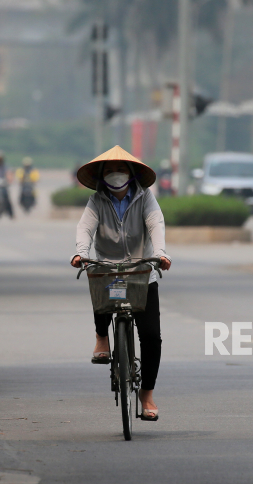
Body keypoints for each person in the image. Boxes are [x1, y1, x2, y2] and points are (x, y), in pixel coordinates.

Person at [71, 146, 171, 422]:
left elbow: (156, 224)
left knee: (151, 337)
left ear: (132, 174)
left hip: (141, 269)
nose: (117, 175)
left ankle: (147, 394)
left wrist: (160, 254)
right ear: (102, 176)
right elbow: (85, 228)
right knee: (96, 279)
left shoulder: (145, 197)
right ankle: (102, 337)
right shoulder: (96, 202)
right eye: (111, 170)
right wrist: (82, 252)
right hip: (108, 268)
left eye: (122, 169)